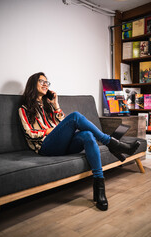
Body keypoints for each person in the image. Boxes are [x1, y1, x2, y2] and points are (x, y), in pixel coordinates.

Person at [19, 72, 140, 211]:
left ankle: (99, 186)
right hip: (45, 147)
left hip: (61, 145)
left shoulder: (48, 105)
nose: (46, 84)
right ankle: (111, 143)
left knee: (88, 135)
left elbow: (61, 123)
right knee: (75, 116)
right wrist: (49, 131)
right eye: (42, 81)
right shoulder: (24, 109)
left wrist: (56, 105)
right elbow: (29, 133)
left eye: (47, 82)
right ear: (32, 84)